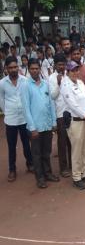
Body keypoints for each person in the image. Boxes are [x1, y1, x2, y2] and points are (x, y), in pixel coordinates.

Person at [21, 58, 59, 189]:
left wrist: (54, 121)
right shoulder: (25, 86)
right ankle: (40, 178)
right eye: (32, 68)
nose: (35, 70)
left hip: (47, 124)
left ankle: (48, 173)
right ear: (29, 69)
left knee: (46, 151)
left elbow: (51, 104)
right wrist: (32, 128)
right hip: (35, 127)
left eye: (37, 68)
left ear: (39, 69)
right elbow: (26, 109)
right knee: (36, 154)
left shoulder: (45, 83)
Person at [61, 61, 85, 190]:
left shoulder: (80, 83)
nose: (75, 72)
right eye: (72, 70)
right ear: (68, 72)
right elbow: (72, 104)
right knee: (76, 150)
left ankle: (83, 172)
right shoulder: (65, 85)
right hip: (75, 121)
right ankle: (76, 177)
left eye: (77, 70)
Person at [0, 56, 33, 182]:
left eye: (15, 67)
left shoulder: (25, 80)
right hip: (11, 119)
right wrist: (7, 111)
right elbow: (1, 99)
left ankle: (30, 164)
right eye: (10, 68)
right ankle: (12, 169)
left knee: (26, 144)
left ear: (18, 67)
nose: (13, 69)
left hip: (24, 118)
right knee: (12, 146)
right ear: (6, 69)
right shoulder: (2, 83)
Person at [49, 54, 72, 177]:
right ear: (55, 65)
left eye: (63, 64)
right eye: (59, 64)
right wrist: (58, 84)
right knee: (62, 142)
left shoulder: (68, 75)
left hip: (71, 112)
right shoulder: (52, 78)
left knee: (71, 140)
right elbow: (52, 96)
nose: (61, 66)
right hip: (60, 114)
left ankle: (73, 164)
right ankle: (63, 168)